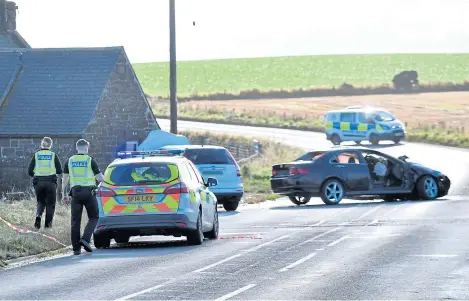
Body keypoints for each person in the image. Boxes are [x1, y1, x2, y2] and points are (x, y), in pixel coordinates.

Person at [61, 139, 105, 256]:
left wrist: (63, 194)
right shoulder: (90, 160)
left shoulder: (69, 161)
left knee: (75, 221)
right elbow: (100, 178)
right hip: (89, 193)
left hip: (75, 193)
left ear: (77, 148)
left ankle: (76, 249)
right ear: (86, 148)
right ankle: (85, 239)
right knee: (94, 216)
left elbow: (64, 181)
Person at [28, 137, 63, 229]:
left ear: (41, 144)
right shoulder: (53, 155)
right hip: (50, 183)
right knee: (50, 205)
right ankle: (47, 227)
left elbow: (30, 171)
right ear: (50, 145)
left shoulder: (36, 155)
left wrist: (36, 175)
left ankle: (38, 216)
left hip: (38, 182)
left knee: (40, 202)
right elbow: (59, 170)